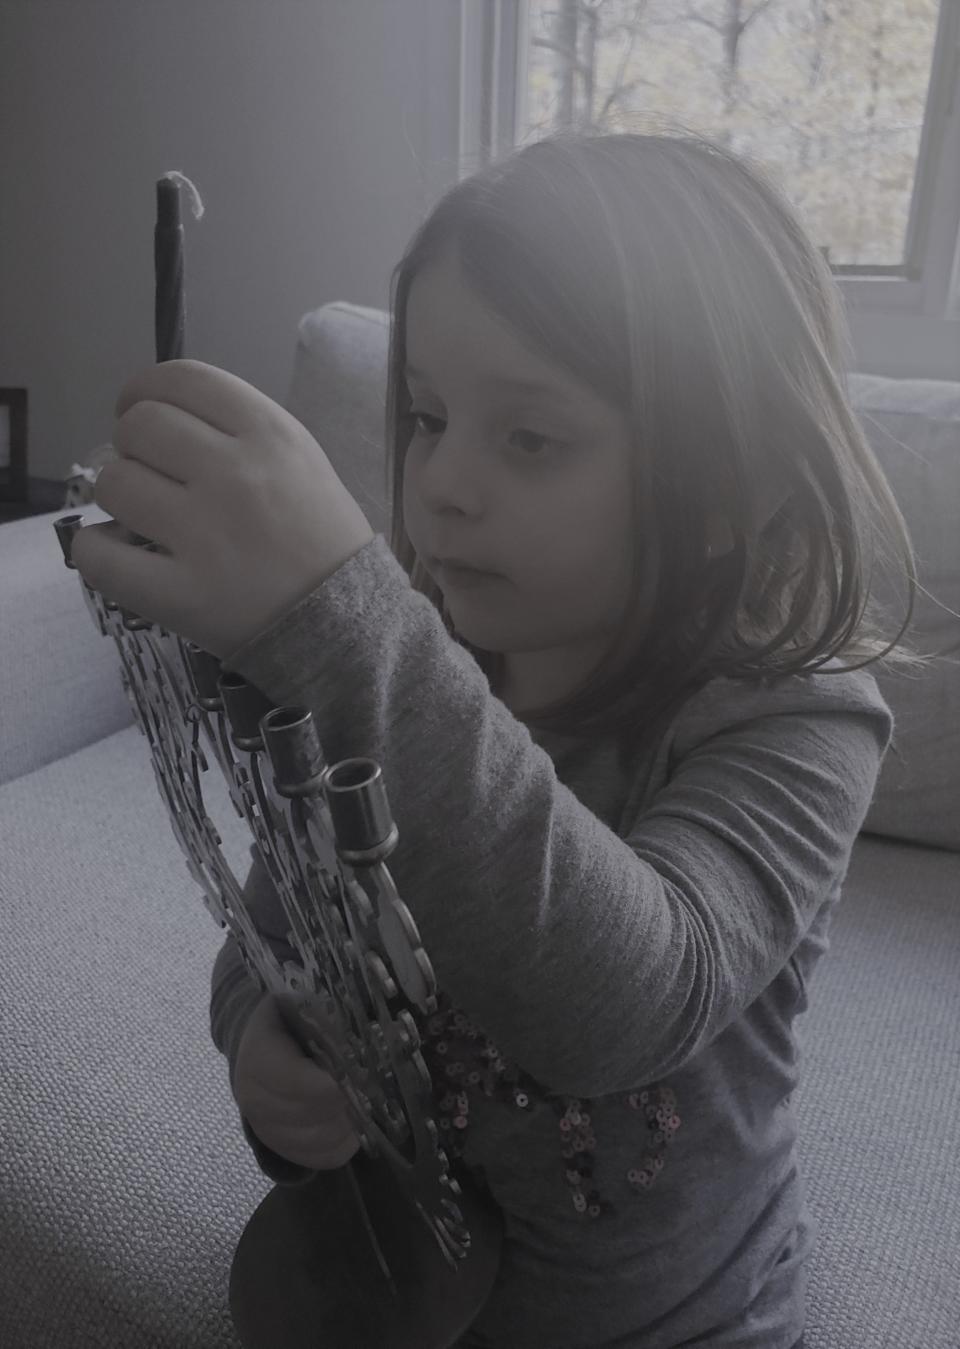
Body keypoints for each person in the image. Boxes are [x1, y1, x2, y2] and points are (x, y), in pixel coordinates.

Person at [207, 128, 923, 1348]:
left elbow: (630, 1002)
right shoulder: (413, 668)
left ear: (728, 484)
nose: (440, 484)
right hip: (390, 1293)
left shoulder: (793, 714)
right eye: (429, 417)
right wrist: (261, 1038)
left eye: (530, 437)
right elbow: (277, 926)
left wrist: (355, 630)